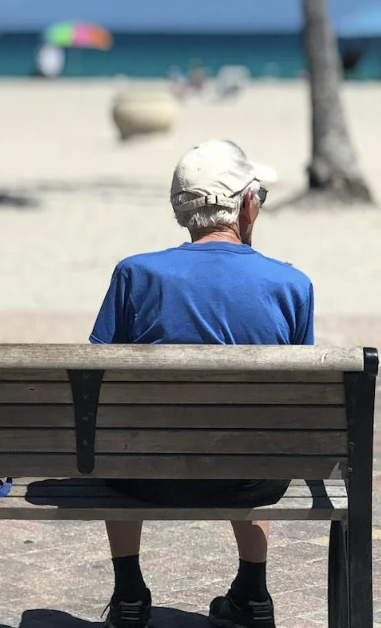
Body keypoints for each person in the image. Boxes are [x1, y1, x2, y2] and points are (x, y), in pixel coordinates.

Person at [91, 140, 314, 628]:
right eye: (260, 197)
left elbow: (98, 383)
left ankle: (129, 593)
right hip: (252, 478)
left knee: (118, 434)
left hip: (144, 476)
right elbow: (298, 402)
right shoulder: (291, 286)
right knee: (259, 428)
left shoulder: (135, 275)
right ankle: (252, 592)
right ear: (247, 204)